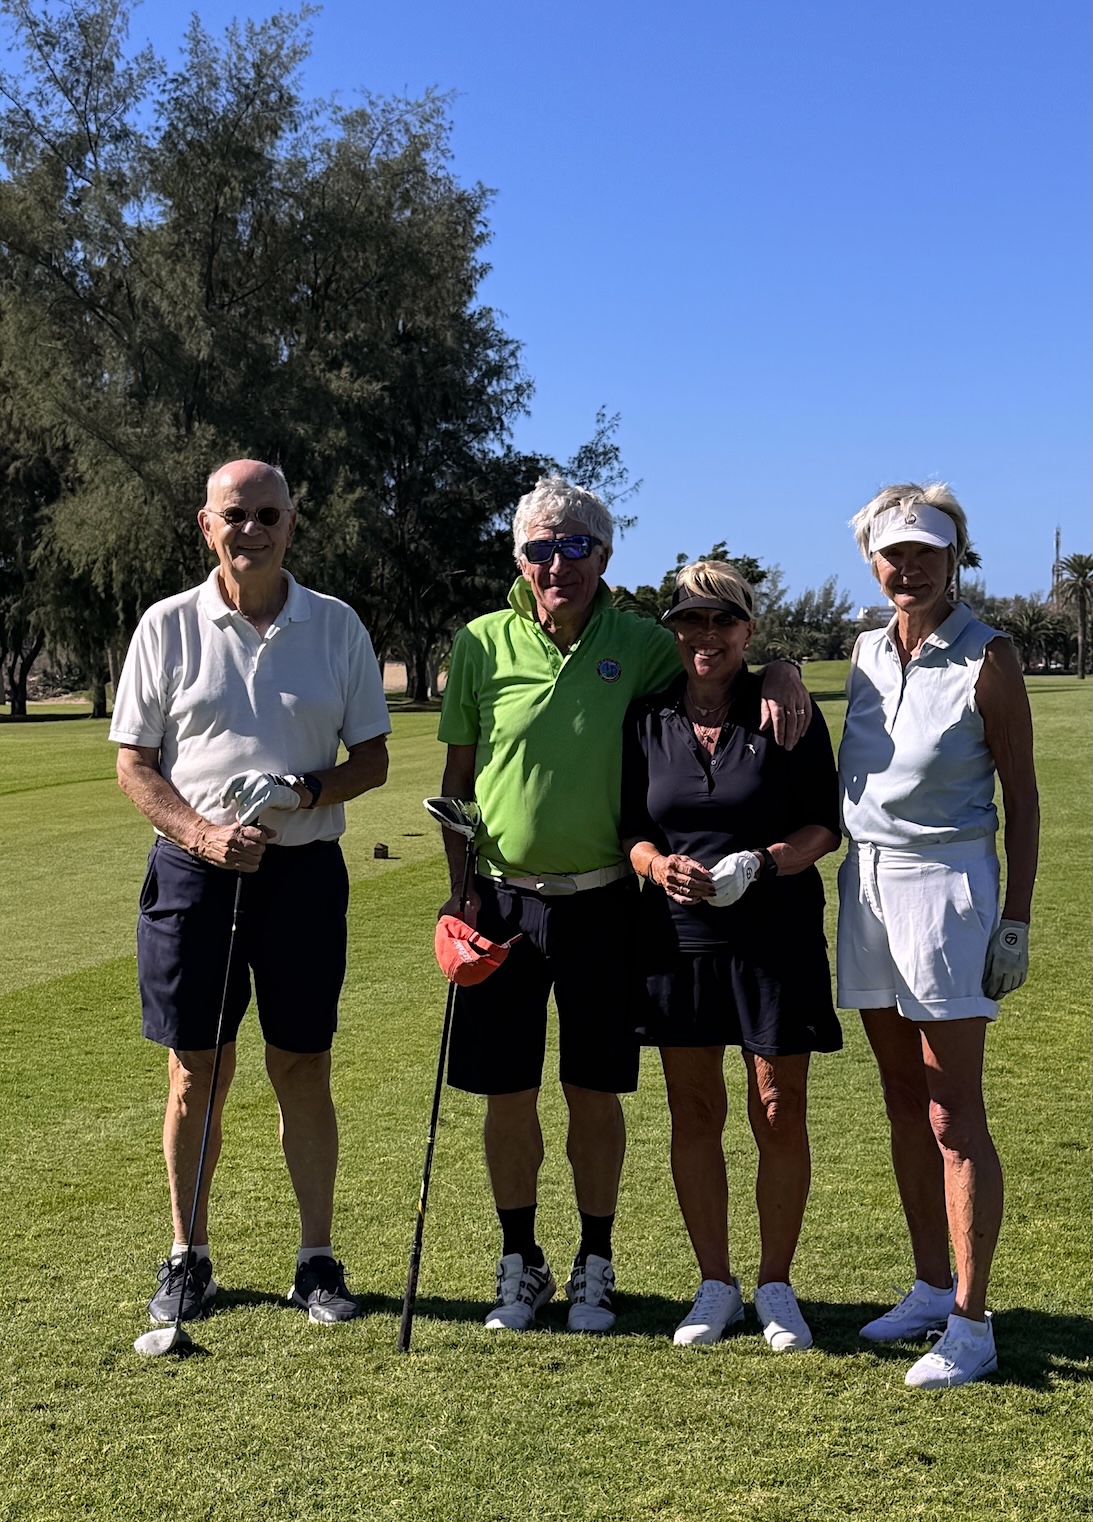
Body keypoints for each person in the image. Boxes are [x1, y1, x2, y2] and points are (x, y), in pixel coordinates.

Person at [435, 476, 812, 1333]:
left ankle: (594, 1263)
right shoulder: (479, 643)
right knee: (507, 1094)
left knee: (592, 1090)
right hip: (501, 903)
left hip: (606, 902)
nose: (556, 564)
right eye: (540, 549)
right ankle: (520, 1262)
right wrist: (459, 896)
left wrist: (784, 667)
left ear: (602, 556)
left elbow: (720, 661)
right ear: (520, 559)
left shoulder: (641, 642)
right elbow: (457, 781)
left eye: (574, 547)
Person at [110, 459, 390, 1328]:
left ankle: (316, 1260)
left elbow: (372, 759)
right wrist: (201, 834)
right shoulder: (166, 625)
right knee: (195, 1069)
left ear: (291, 524)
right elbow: (134, 764)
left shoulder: (335, 625)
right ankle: (187, 1256)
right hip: (194, 875)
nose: (252, 530)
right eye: (236, 515)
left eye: (269, 514)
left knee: (302, 1065)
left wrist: (303, 791)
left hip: (302, 876)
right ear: (208, 526)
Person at [838, 482, 1038, 1389]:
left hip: (948, 885)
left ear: (954, 558)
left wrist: (1015, 919)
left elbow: (1022, 800)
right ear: (871, 561)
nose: (909, 569)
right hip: (865, 884)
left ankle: (970, 1319)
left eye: (926, 552)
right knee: (901, 1099)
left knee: (954, 1112)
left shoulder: (987, 655)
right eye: (894, 554)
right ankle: (927, 1286)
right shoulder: (864, 651)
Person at [621, 561, 841, 1350]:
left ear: (748, 629)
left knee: (776, 1108)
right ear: (673, 631)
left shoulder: (784, 709)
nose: (705, 635)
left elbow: (824, 825)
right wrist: (656, 867)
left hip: (774, 936)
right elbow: (630, 829)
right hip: (677, 941)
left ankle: (775, 1285)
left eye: (722, 620)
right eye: (690, 620)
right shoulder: (646, 718)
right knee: (693, 1111)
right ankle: (713, 1284)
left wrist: (764, 862)